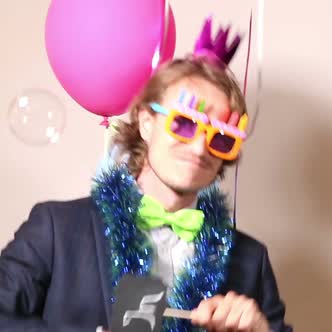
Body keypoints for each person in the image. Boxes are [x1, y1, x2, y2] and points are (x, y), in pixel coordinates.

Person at [0, 16, 292, 332]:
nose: (198, 149)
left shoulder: (251, 261)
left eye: (220, 137)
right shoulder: (56, 229)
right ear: (146, 122)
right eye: (184, 123)